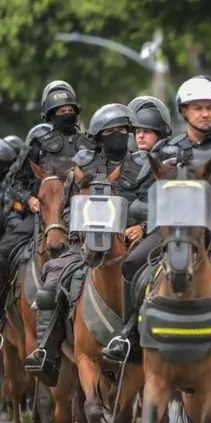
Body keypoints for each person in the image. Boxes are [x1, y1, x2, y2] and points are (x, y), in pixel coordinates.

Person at [101, 75, 211, 368]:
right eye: (198, 108)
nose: (206, 113)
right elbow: (135, 201)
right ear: (184, 111)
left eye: (210, 107)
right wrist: (163, 211)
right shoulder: (164, 151)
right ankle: (127, 334)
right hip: (172, 231)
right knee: (132, 263)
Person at [23, 103, 138, 385]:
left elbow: (154, 203)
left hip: (133, 242)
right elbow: (64, 210)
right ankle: (46, 352)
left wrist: (140, 225)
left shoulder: (144, 164)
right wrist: (81, 226)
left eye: (123, 130)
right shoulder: (81, 165)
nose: (118, 135)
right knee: (51, 283)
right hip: (84, 242)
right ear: (98, 136)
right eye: (110, 131)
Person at [0, 82, 94, 301]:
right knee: (3, 253)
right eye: (62, 111)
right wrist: (30, 199)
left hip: (83, 218)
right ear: (51, 115)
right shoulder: (37, 145)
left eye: (70, 110)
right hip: (42, 215)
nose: (67, 114)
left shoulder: (90, 144)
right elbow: (14, 180)